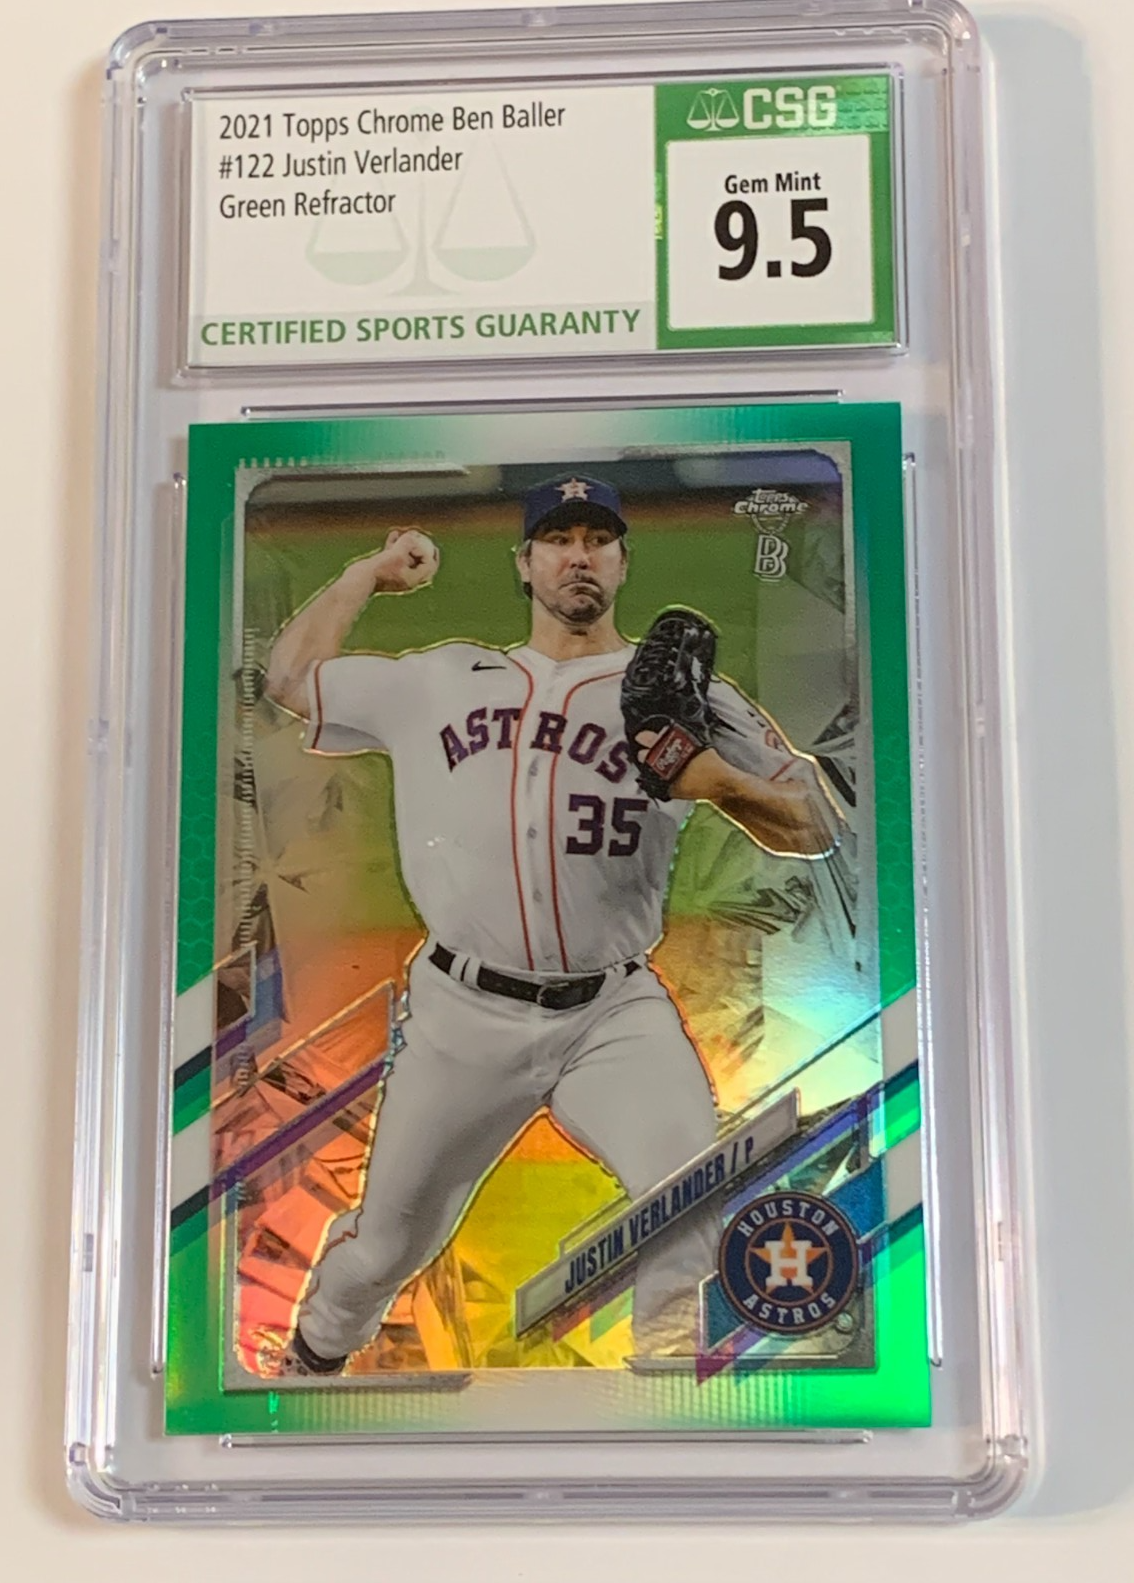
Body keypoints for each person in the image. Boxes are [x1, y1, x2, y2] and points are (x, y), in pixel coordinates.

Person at [263, 474, 838, 1375]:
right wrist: (366, 575)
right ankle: (312, 1356)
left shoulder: (691, 696)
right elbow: (289, 679)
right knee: (385, 1252)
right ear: (525, 564)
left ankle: (670, 1405)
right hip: (461, 1016)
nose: (579, 556)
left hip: (613, 1015)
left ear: (623, 563)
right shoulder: (442, 678)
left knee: (691, 1202)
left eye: (598, 540)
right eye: (559, 540)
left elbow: (814, 827)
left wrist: (716, 782)